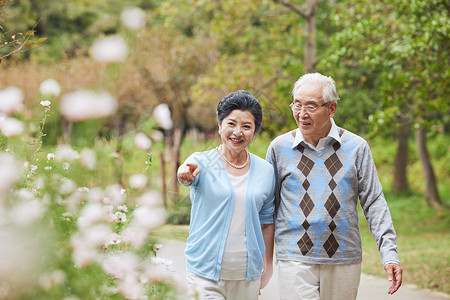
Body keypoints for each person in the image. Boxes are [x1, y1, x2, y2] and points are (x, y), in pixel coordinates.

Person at [266, 73, 403, 300]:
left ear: (331, 109)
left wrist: (389, 254)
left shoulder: (357, 148)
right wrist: (263, 261)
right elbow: (268, 208)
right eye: (297, 105)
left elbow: (374, 202)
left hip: (343, 258)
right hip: (294, 258)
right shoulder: (279, 148)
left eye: (310, 106)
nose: (301, 114)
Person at [177, 90, 275, 300]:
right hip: (204, 273)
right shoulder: (201, 162)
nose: (238, 132)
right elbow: (185, 173)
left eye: (246, 126)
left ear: (254, 131)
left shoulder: (266, 171)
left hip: (247, 275)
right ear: (220, 125)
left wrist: (268, 265)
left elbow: (266, 222)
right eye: (231, 123)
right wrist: (184, 174)